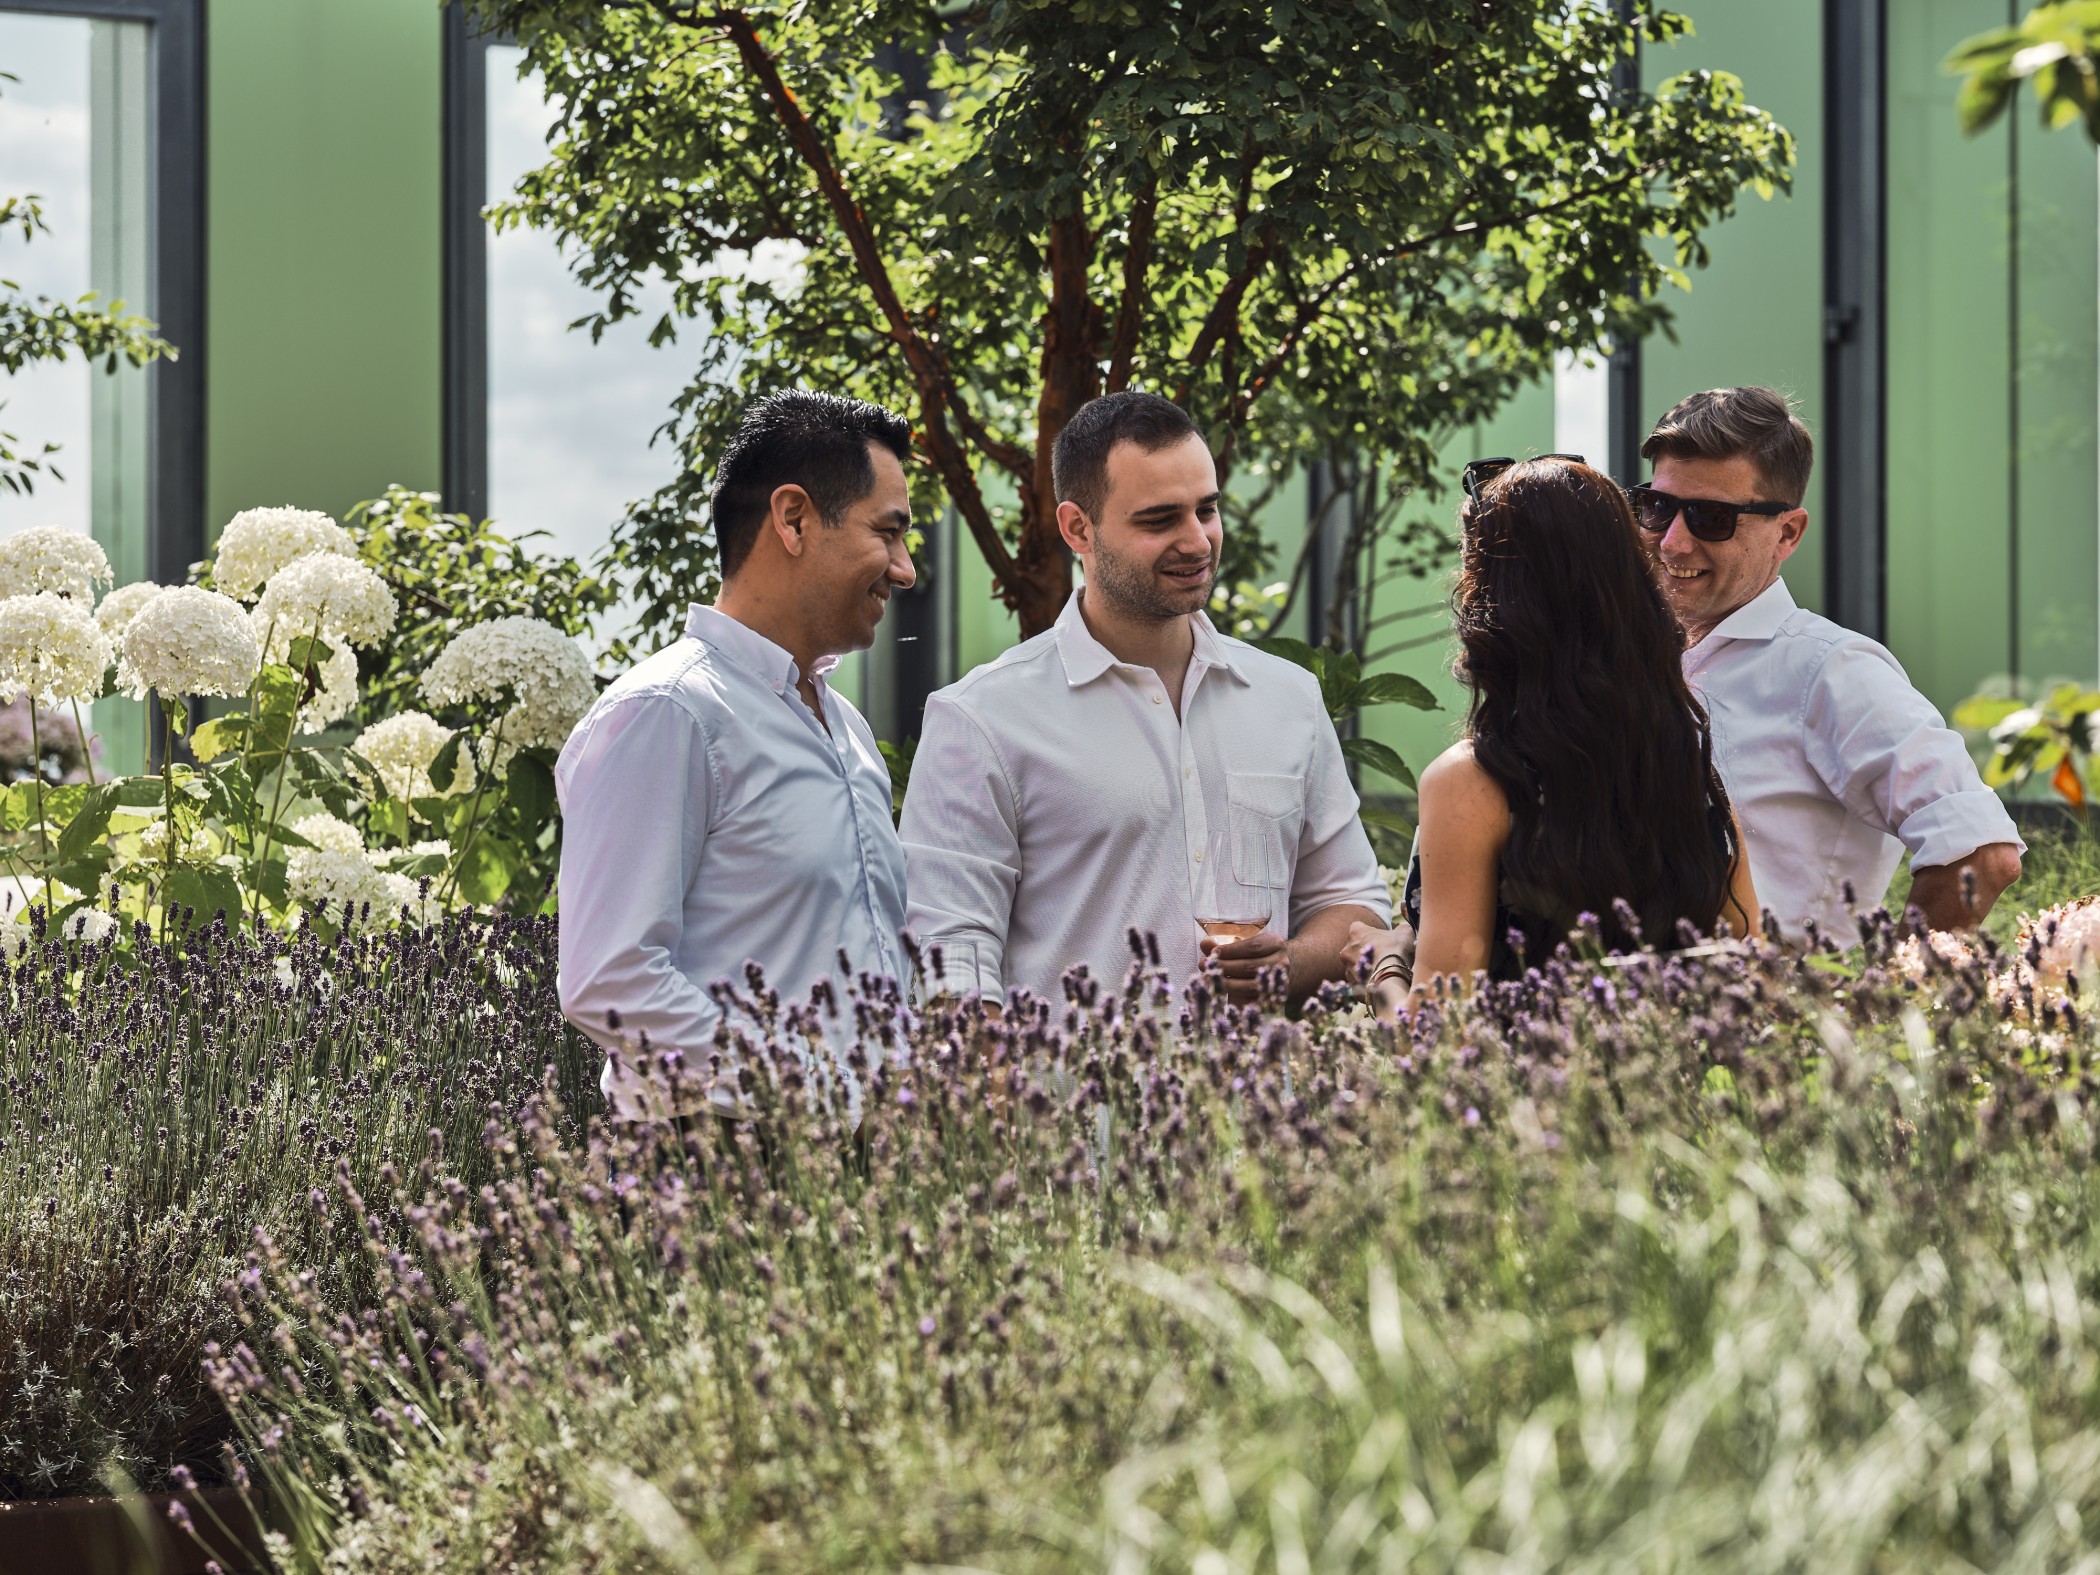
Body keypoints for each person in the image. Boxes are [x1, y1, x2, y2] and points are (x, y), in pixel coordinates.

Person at [899, 391, 1391, 1010]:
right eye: (1159, 520)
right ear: (1078, 527)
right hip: (1066, 1102)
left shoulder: (1287, 698)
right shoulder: (981, 720)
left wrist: (1290, 963)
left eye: (1206, 510)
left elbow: (1355, 906)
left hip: (1256, 1104)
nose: (1196, 541)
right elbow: (949, 952)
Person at [556, 391, 918, 1119]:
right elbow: (609, 978)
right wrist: (801, 1089)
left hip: (858, 1178)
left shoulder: (845, 731)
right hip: (715, 1171)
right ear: (793, 520)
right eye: (890, 533)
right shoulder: (667, 712)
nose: (905, 569)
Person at [1351, 457, 1760, 1020]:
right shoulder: (1686, 766)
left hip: (1522, 1108)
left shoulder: (1472, 782)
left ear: (1489, 601)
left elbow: (1438, 1038)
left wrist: (1385, 964)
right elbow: (1751, 980)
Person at [1634, 387, 2022, 946]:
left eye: (1711, 517)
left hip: (1775, 1023)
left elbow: (1983, 851)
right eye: (1658, 506)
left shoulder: (1830, 670)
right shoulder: (1645, 657)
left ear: (1787, 532)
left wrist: (1885, 1005)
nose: (1673, 541)